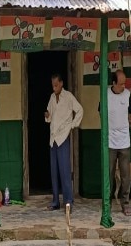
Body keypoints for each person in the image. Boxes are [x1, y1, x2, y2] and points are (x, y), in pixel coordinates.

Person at [98, 69, 131, 216]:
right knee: (108, 173)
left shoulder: (128, 95)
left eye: (125, 83)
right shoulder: (106, 94)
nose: (124, 86)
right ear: (114, 83)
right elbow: (100, 112)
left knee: (125, 174)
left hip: (124, 141)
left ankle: (125, 203)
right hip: (109, 140)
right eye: (121, 84)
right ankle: (107, 202)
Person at [44, 73, 84, 211]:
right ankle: (55, 201)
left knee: (65, 170)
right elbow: (49, 115)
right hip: (53, 138)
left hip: (63, 137)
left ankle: (68, 201)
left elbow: (80, 110)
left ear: (61, 83)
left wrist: (73, 125)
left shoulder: (68, 97)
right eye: (52, 85)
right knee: (54, 171)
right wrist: (47, 116)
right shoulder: (51, 97)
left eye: (56, 84)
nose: (54, 87)